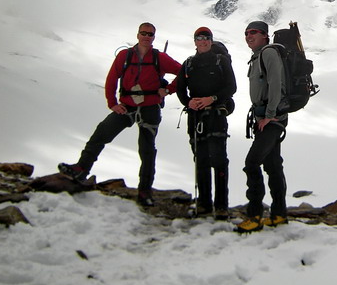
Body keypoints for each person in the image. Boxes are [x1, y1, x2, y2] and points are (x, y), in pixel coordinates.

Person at [58, 22, 181, 207]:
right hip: (127, 106)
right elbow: (112, 78)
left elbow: (184, 72)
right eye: (144, 33)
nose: (147, 36)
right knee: (102, 133)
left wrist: (169, 89)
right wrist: (112, 103)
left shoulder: (160, 58)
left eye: (150, 34)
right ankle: (81, 169)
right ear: (138, 34)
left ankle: (144, 190)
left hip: (150, 108)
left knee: (146, 150)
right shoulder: (125, 56)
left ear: (154, 37)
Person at [176, 27, 236, 220]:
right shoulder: (188, 64)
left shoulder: (222, 61)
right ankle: (204, 203)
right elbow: (180, 90)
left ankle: (221, 206)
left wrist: (213, 98)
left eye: (206, 38)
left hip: (216, 115)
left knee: (218, 160)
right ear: (195, 41)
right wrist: (188, 102)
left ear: (211, 41)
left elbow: (232, 87)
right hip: (196, 117)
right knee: (201, 159)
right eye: (199, 38)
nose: (203, 41)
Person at [236, 21, 289, 233]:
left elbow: (276, 83)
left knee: (252, 163)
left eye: (254, 32)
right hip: (267, 117)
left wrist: (269, 115)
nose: (249, 36)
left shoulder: (268, 53)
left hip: (272, 119)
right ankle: (278, 214)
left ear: (265, 35)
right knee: (273, 165)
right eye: (246, 33)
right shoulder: (258, 55)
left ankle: (255, 215)